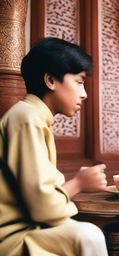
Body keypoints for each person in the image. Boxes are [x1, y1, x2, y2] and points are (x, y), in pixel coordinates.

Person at [0, 37, 109, 256]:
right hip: (12, 236)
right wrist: (79, 183)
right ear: (50, 80)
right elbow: (43, 208)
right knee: (89, 235)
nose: (84, 93)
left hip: (30, 228)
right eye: (79, 82)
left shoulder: (32, 117)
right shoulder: (27, 119)